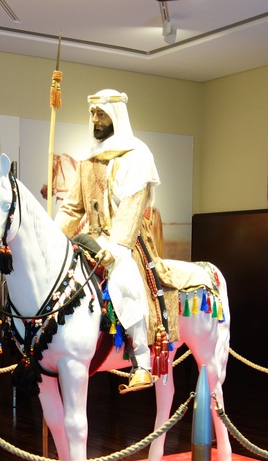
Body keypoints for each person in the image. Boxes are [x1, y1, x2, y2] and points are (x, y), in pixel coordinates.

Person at [54, 89, 161, 392]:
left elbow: (132, 208)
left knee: (122, 281)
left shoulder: (138, 156)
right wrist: (54, 237)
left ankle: (141, 362)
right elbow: (73, 207)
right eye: (92, 115)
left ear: (115, 117)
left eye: (101, 114)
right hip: (92, 239)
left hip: (126, 243)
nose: (96, 121)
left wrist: (116, 249)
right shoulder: (89, 159)